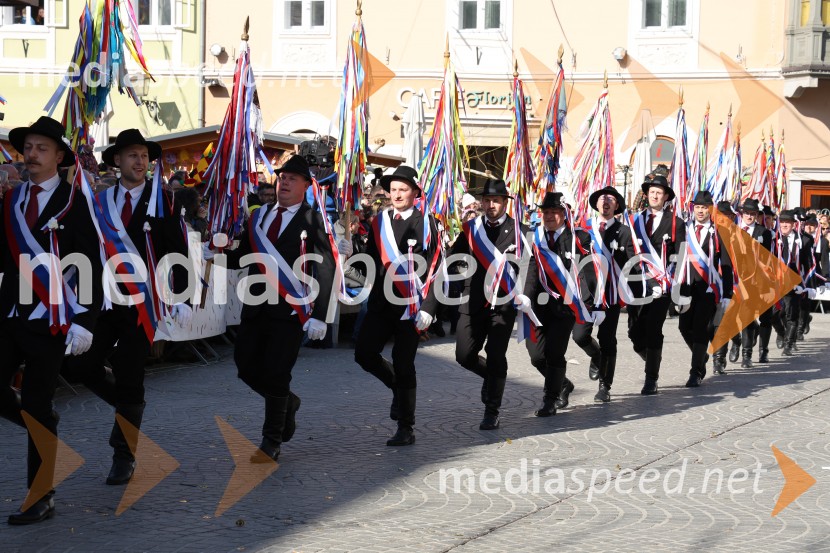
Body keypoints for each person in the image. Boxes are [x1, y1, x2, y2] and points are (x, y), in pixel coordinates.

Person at [62, 129, 192, 486]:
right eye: (131, 155)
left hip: (140, 303)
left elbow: (177, 252)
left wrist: (181, 295)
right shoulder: (100, 202)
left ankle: (124, 453)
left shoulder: (163, 201)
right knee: (79, 364)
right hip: (103, 300)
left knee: (132, 375)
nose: (139, 161)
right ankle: (128, 408)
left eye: (143, 156)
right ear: (116, 161)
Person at [0, 116, 103, 524]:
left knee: (40, 400)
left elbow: (91, 263)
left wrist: (86, 321)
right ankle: (40, 422)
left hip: (51, 318)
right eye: (27, 148)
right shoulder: (11, 200)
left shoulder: (75, 202)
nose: (31, 154)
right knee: (28, 406)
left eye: (41, 148)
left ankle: (41, 496)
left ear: (60, 157)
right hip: (10, 313)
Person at [224, 155, 335, 462]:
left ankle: (271, 440)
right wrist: (219, 253)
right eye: (282, 177)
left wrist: (321, 316)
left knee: (276, 372)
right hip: (256, 305)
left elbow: (326, 267)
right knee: (245, 366)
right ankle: (288, 402)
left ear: (305, 186)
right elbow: (244, 256)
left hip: (290, 309)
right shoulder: (259, 217)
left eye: (292, 179)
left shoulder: (313, 219)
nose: (284, 182)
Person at [354, 165, 441, 446]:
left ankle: (406, 426)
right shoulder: (379, 222)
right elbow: (370, 261)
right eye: (393, 190)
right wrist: (349, 258)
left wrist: (429, 307)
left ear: (415, 192)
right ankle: (395, 387)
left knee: (405, 364)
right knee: (364, 354)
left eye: (403, 189)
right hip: (381, 302)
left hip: (410, 306)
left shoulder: (427, 222)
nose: (397, 194)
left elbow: (437, 268)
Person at [449, 179, 533, 429]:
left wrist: (526, 293)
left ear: (505, 203)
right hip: (473, 301)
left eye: (495, 200)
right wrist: (458, 277)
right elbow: (453, 258)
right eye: (486, 200)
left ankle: (492, 409)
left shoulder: (521, 231)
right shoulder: (470, 229)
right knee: (464, 355)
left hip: (504, 304)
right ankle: (492, 378)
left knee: (497, 355)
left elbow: (530, 265)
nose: (490, 204)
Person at [524, 192, 593, 416]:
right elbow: (531, 270)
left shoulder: (578, 238)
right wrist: (525, 297)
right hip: (537, 307)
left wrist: (591, 303)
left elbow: (587, 271)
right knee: (536, 356)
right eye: (546, 212)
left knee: (555, 353)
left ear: (564, 214)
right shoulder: (535, 238)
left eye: (554, 212)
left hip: (565, 308)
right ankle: (563, 383)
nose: (550, 216)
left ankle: (549, 400)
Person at [573, 185, 636, 403]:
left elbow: (631, 263)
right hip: (587, 294)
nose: (606, 201)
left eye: (611, 199)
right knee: (579, 335)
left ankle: (605, 385)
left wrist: (641, 287)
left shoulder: (624, 231)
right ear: (597, 204)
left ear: (617, 205)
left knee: (608, 339)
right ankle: (595, 355)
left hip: (610, 295)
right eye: (602, 198)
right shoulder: (584, 228)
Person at [627, 175, 686, 395]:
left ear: (666, 197)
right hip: (637, 283)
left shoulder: (676, 223)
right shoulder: (635, 221)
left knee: (653, 330)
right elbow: (630, 249)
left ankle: (651, 378)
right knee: (634, 332)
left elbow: (680, 255)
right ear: (646, 194)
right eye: (651, 191)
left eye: (659, 192)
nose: (654, 195)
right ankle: (651, 357)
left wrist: (675, 285)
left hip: (662, 287)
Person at [676, 191, 733, 387]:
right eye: (698, 207)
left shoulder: (718, 231)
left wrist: (727, 294)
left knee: (700, 328)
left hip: (708, 289)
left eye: (704, 207)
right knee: (684, 327)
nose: (700, 211)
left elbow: (726, 264)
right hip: (687, 287)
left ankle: (696, 372)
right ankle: (700, 357)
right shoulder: (685, 229)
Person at [730, 198, 774, 367]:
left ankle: (746, 355)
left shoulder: (764, 232)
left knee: (748, 317)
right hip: (733, 279)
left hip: (754, 281)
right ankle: (735, 341)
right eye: (747, 213)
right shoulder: (733, 230)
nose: (749, 216)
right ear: (742, 213)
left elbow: (766, 259)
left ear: (757, 215)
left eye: (753, 213)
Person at [770, 210, 814, 355]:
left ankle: (789, 344)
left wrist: (808, 286)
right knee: (774, 314)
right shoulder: (773, 238)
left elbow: (809, 264)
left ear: (793, 224)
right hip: (776, 283)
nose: (784, 224)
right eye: (782, 222)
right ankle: (781, 332)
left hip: (795, 283)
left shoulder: (804, 240)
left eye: (787, 222)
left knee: (792, 313)